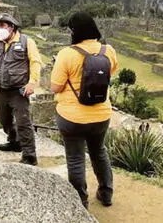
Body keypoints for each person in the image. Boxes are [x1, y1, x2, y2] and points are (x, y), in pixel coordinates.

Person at [50, 12, 118, 209]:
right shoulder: (109, 51)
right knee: (99, 152)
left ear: (74, 31)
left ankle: (80, 201)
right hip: (101, 115)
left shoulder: (67, 54)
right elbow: (107, 74)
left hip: (72, 118)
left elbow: (55, 87)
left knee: (75, 158)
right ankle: (106, 193)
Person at [0, 10, 42, 166]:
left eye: (2, 25)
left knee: (23, 122)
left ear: (12, 27)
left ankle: (30, 155)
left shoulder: (26, 41)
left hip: (19, 90)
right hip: (2, 90)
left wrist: (32, 83)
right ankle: (14, 142)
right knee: (4, 120)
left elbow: (35, 61)